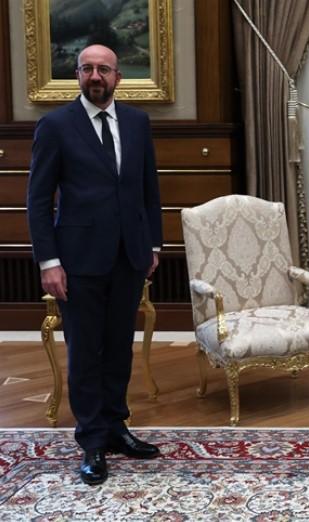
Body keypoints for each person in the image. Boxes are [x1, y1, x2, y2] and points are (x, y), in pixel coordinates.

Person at [27, 44, 163, 485]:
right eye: (87, 68)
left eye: (103, 68)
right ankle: (91, 440)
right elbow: (37, 200)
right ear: (78, 75)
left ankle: (116, 426)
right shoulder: (56, 125)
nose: (95, 75)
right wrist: (49, 261)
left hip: (129, 256)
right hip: (78, 260)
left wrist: (154, 246)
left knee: (119, 345)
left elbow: (148, 190)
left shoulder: (138, 123)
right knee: (86, 351)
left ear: (118, 76)